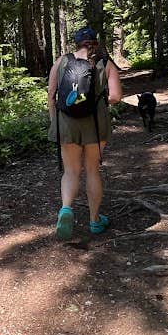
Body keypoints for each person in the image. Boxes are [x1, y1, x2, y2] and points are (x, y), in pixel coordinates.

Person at [47, 26, 123, 240]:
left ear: (77, 43)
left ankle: (66, 209)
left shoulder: (61, 61)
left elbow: (52, 93)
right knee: (91, 170)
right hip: (95, 124)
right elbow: (116, 96)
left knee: (71, 171)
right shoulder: (105, 63)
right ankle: (95, 221)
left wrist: (55, 121)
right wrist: (98, 100)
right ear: (95, 43)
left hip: (66, 123)